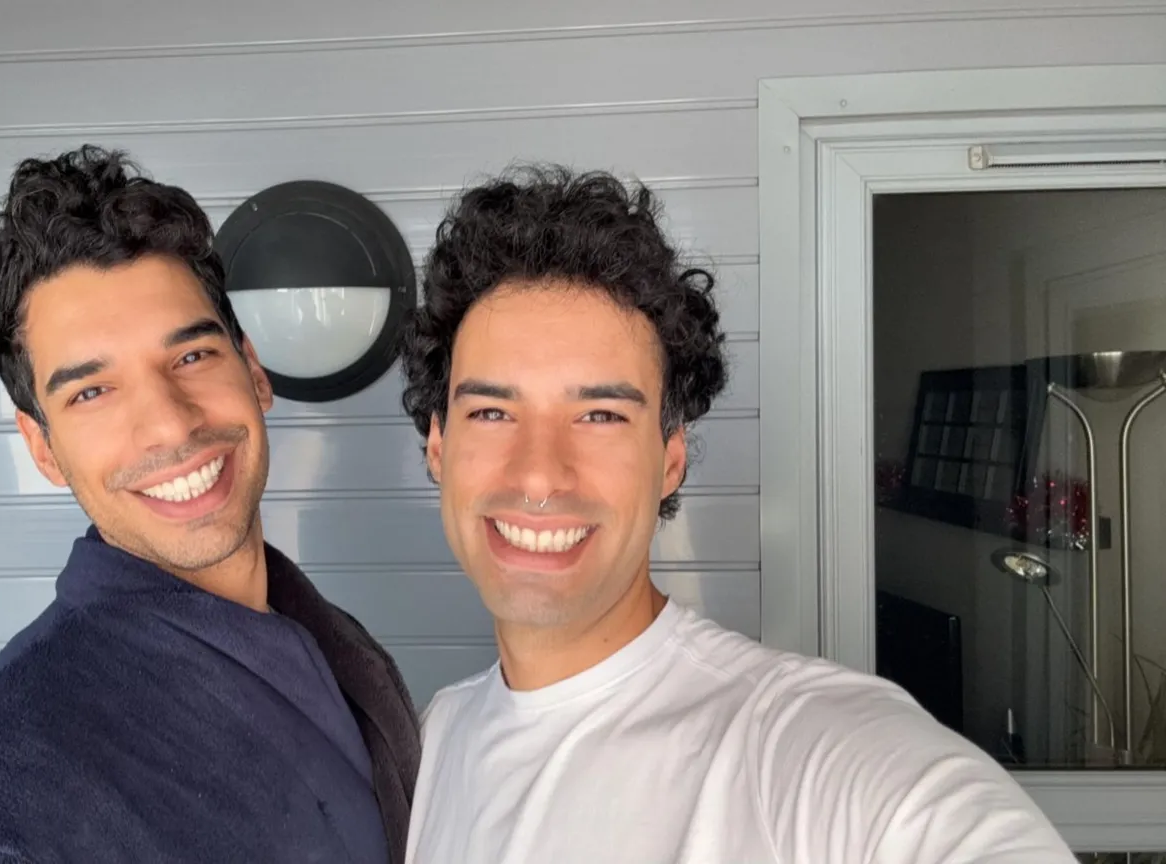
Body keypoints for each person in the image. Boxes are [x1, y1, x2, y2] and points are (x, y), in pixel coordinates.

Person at [396, 165, 1075, 863]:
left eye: (599, 414)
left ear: (669, 461)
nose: (539, 474)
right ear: (440, 448)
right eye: (492, 411)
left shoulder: (807, 748)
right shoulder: (432, 738)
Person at [0, 146, 420, 863]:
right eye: (92, 392)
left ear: (253, 371)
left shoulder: (339, 648)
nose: (170, 423)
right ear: (42, 445)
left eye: (193, 356)